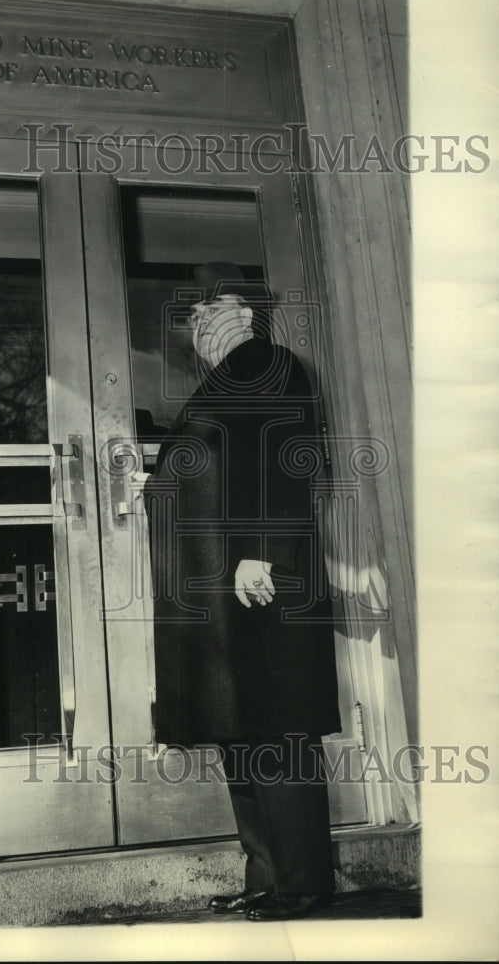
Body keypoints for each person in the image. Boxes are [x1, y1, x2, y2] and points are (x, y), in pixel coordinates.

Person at [138, 262, 341, 922]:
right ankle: (267, 881)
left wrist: (258, 551)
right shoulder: (227, 382)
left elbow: (280, 462)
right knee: (241, 733)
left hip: (256, 582)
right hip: (222, 591)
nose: (198, 322)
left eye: (213, 309)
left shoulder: (266, 366)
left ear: (249, 315)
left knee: (276, 734)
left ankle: (303, 891)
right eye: (191, 316)